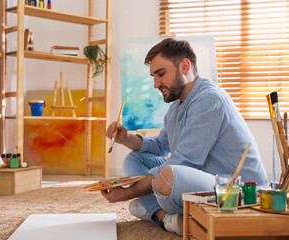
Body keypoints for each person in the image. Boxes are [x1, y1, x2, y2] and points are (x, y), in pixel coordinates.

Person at [103, 38, 268, 235]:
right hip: (203, 181)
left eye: (160, 74)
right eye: (153, 76)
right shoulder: (176, 108)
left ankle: (155, 211)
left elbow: (184, 162)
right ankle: (165, 217)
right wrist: (125, 139)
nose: (156, 84)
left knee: (168, 175)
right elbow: (160, 145)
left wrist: (128, 193)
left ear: (184, 66)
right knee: (135, 159)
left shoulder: (209, 99)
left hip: (235, 191)